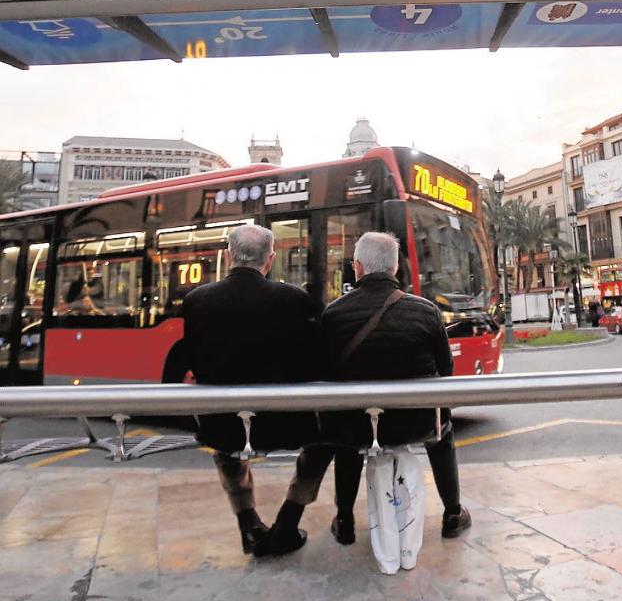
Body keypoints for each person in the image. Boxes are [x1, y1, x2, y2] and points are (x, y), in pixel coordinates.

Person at [258, 231, 471, 556]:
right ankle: (453, 513)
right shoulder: (427, 311)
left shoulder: (333, 314)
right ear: (395, 268)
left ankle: (344, 520)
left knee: (343, 436)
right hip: (416, 423)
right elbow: (446, 373)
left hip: (356, 427)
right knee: (443, 432)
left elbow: (324, 374)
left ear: (357, 267)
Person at [182, 224, 319, 555]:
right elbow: (313, 362)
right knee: (324, 443)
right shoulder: (296, 300)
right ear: (270, 260)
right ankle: (288, 521)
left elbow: (193, 363)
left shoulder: (196, 301)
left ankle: (249, 526)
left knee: (225, 447)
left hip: (224, 427)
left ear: (228, 257)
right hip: (286, 426)